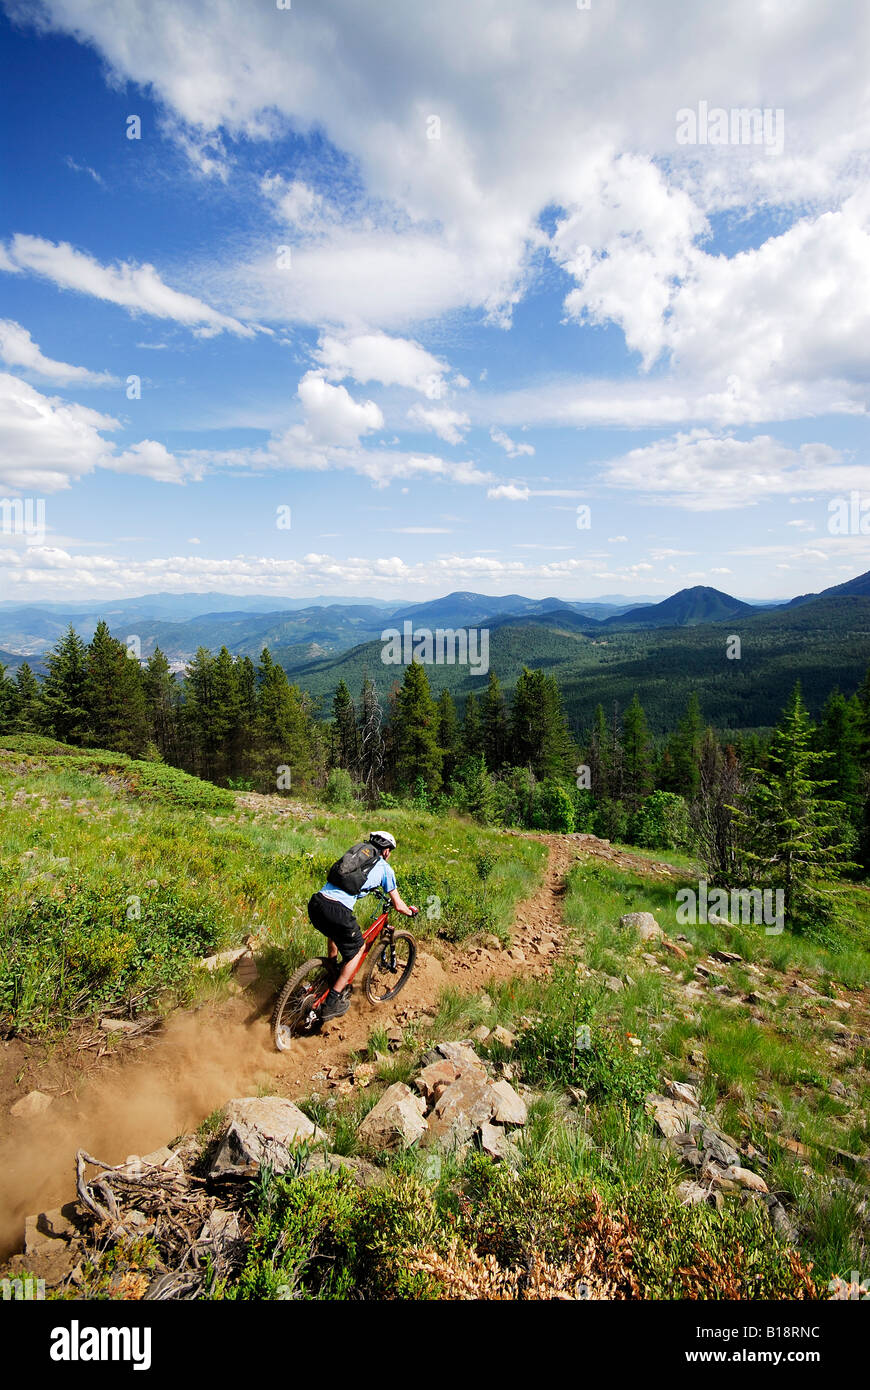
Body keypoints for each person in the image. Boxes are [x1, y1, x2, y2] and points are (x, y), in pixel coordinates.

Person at [308, 830, 418, 1020]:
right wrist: (411, 912)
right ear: (386, 850)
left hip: (317, 903)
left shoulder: (355, 855)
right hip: (337, 910)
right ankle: (331, 1002)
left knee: (334, 931)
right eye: (390, 851)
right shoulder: (385, 868)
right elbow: (399, 905)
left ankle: (331, 969)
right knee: (357, 949)